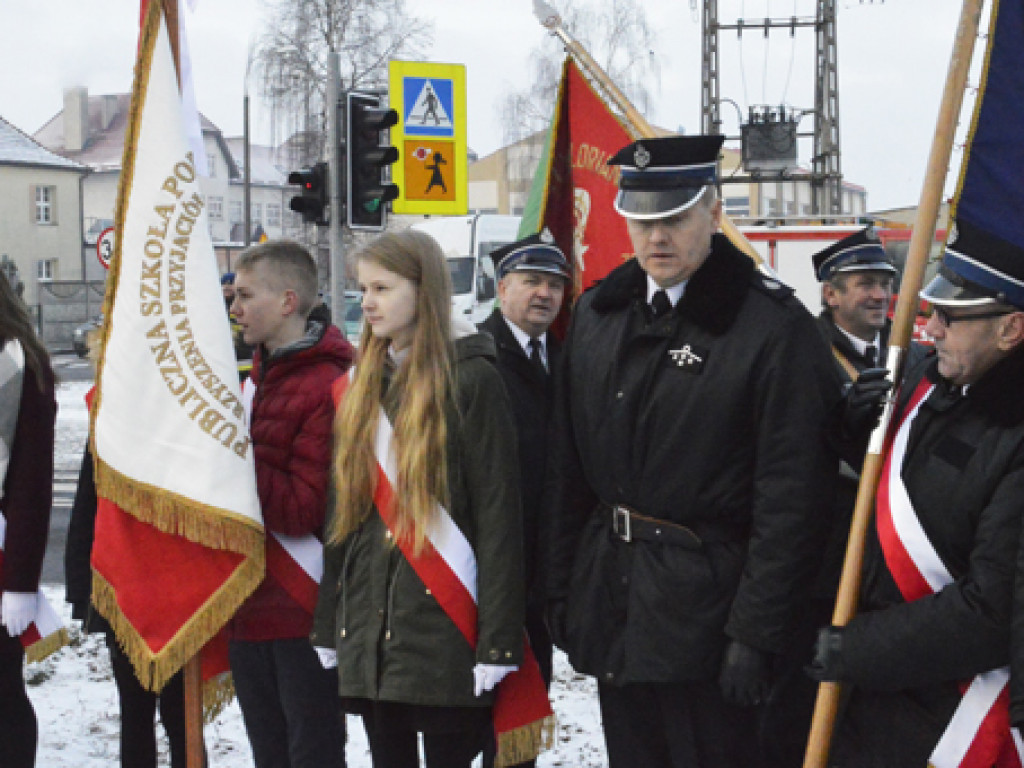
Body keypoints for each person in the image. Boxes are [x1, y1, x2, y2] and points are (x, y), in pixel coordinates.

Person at [542, 134, 839, 768]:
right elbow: (568, 472)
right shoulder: (599, 313)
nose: (656, 238)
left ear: (713, 209)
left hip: (716, 615)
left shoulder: (770, 327)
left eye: (674, 218)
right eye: (641, 220)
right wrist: (563, 590)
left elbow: (791, 499)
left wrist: (756, 634)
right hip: (617, 602)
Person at [810, 217, 1024, 765]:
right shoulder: (926, 379)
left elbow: (992, 608)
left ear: (1011, 329)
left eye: (952, 316)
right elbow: (893, 499)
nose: (931, 328)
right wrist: (850, 431)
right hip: (873, 698)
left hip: (953, 709)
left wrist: (857, 648)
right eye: (932, 310)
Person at [312, 229, 526, 768]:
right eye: (364, 288)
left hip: (445, 625)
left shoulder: (473, 378)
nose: (368, 302)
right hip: (372, 625)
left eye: (383, 287)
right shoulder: (362, 383)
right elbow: (345, 516)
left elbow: (500, 518)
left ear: (424, 289)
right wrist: (328, 620)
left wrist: (497, 642)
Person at [758, 227, 902, 766]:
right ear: (831, 294)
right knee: (801, 698)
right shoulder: (802, 353)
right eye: (865, 284)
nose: (880, 295)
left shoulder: (906, 352)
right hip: (819, 561)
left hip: (885, 560)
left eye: (885, 283)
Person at [228, 240, 354, 768]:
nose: (234, 309)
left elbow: (303, 510)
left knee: (312, 753)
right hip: (247, 605)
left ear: (286, 301)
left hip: (302, 614)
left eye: (244, 296)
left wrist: (229, 457)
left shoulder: (329, 384)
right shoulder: (254, 376)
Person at [477, 230, 570, 768]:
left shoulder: (568, 356)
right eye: (532, 281)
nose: (545, 294)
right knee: (474, 717)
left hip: (545, 566)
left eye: (555, 284)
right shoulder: (477, 356)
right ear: (502, 287)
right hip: (491, 566)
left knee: (527, 706)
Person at [66, 441, 196, 768]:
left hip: (179, 585)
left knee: (180, 715)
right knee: (137, 712)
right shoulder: (113, 410)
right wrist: (82, 587)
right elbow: (89, 497)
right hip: (125, 583)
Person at [0, 270, 56, 768]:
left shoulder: (22, 364)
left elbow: (32, 488)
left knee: (2, 694)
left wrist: (19, 583)